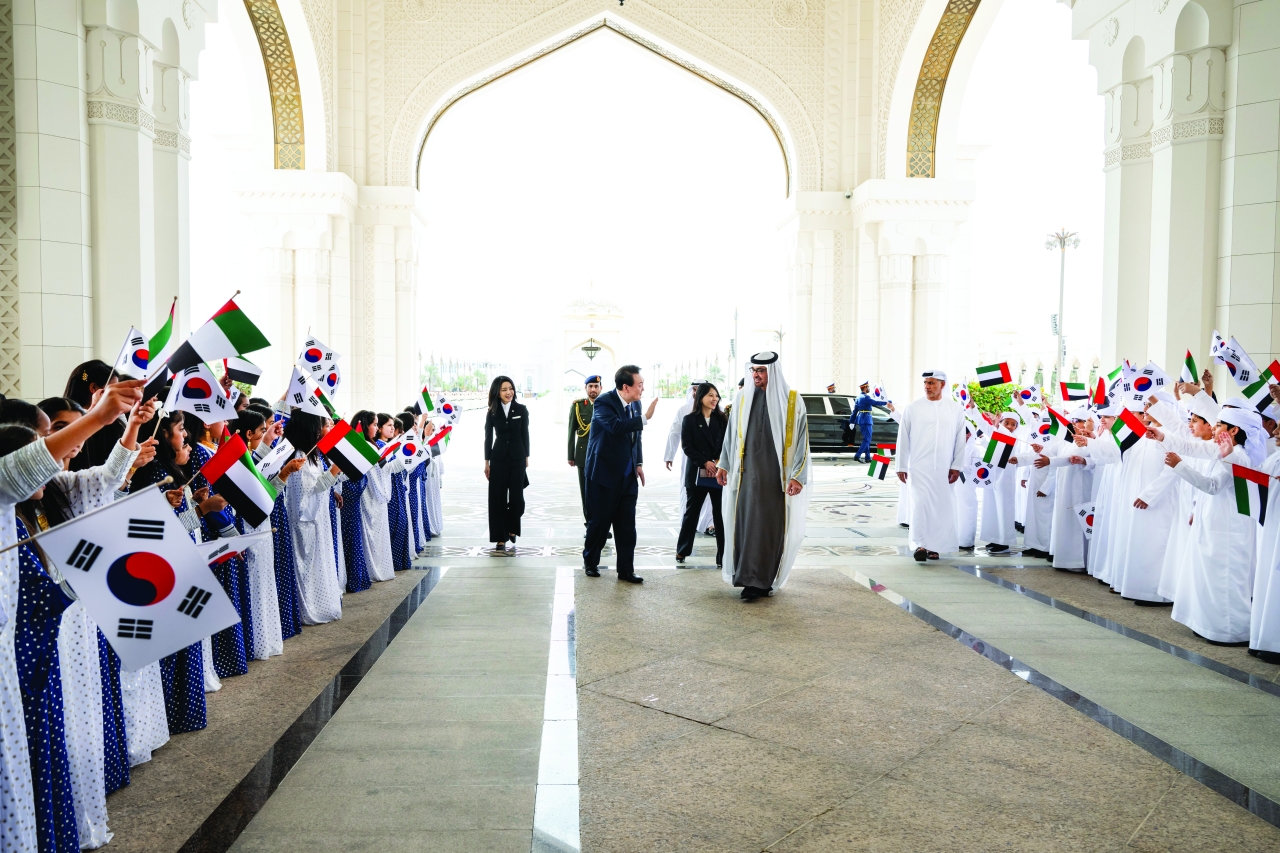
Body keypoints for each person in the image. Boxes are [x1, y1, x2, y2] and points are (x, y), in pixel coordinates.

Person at [715, 352, 810, 600]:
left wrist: (797, 476)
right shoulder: (742, 398)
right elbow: (730, 435)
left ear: (773, 372)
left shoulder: (792, 400)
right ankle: (746, 577)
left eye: (761, 371)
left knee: (768, 529)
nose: (756, 375)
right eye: (754, 370)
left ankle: (761, 581)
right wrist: (724, 464)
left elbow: (802, 441)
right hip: (745, 477)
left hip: (775, 480)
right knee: (745, 525)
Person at [1163, 407, 1257, 644]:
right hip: (1212, 523)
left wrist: (1180, 466)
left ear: (1234, 430)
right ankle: (1210, 624)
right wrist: (1196, 508)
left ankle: (1232, 631)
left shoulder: (1239, 456)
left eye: (1219, 425)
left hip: (1227, 529)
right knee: (1208, 578)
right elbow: (1207, 483)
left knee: (1225, 580)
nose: (1213, 429)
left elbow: (1213, 486)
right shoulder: (1222, 453)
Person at [582, 365, 647, 582]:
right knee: (599, 522)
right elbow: (616, 427)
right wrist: (645, 418)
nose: (642, 389)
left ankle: (626, 570)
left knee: (627, 525)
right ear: (626, 387)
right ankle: (591, 562)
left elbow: (636, 436)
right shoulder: (604, 402)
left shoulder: (635, 404)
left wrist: (638, 463)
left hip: (628, 475)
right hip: (603, 475)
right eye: (640, 385)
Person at [896, 370, 966, 562]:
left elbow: (960, 440)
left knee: (940, 507)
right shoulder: (913, 408)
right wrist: (901, 466)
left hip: (944, 468)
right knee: (920, 504)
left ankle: (935, 547)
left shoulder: (955, 409)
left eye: (932, 383)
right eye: (926, 383)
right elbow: (903, 437)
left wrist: (956, 466)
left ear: (942, 384)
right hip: (919, 466)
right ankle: (920, 544)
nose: (927, 387)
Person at [675, 383, 726, 567]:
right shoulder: (689, 419)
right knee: (692, 513)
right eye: (710, 395)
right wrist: (705, 462)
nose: (714, 399)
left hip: (718, 473)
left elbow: (727, 444)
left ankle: (723, 556)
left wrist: (718, 462)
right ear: (700, 397)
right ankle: (682, 550)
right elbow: (687, 446)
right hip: (697, 472)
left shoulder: (722, 419)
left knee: (720, 515)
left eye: (716, 396)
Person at [664, 380, 714, 537]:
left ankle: (708, 524)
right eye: (694, 389)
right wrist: (669, 455)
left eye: (699, 390)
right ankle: (688, 523)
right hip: (690, 460)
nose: (695, 393)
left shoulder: (716, 410)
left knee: (710, 494)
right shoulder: (684, 410)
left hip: (711, 461)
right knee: (689, 491)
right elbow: (674, 433)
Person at [484, 376, 529, 550]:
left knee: (517, 499)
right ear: (497, 392)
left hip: (518, 458)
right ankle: (500, 537)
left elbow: (525, 434)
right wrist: (487, 462)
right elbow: (488, 438)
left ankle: (512, 527)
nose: (509, 392)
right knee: (497, 498)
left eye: (510, 388)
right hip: (498, 458)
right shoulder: (492, 412)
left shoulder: (521, 409)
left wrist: (526, 457)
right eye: (504, 390)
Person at [567, 375, 601, 526]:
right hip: (583, 454)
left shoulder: (606, 405)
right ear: (585, 388)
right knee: (586, 492)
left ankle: (601, 525)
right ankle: (590, 525)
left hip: (602, 455)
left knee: (601, 492)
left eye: (596, 386)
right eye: (590, 386)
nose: (593, 389)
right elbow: (571, 432)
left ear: (601, 388)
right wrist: (570, 455)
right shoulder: (578, 406)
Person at [851, 381, 890, 462]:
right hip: (866, 419)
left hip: (861, 419)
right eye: (868, 387)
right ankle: (857, 455)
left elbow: (854, 411)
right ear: (865, 388)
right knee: (867, 439)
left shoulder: (858, 397)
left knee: (866, 439)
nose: (869, 388)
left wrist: (852, 421)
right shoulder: (866, 397)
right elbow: (876, 402)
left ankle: (867, 458)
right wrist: (886, 402)